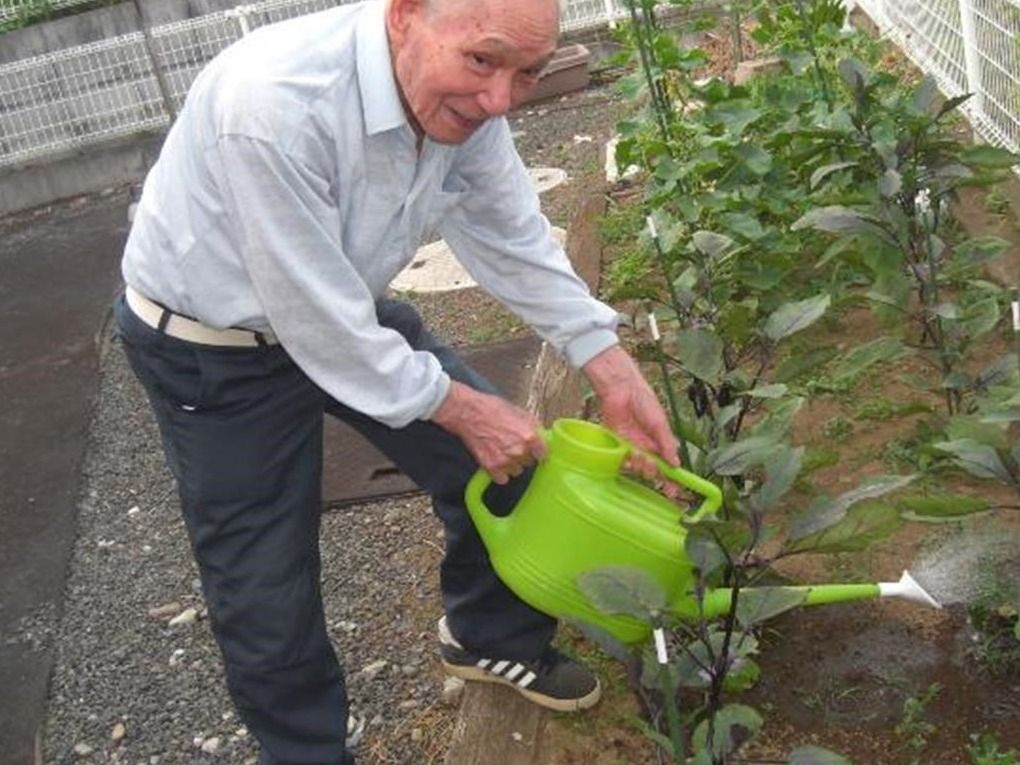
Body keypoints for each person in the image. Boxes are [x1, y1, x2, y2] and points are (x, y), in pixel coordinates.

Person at [115, 0, 679, 762]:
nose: (501, 100)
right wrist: (462, 408)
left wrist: (609, 366)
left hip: (343, 304)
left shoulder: (472, 101)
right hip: (214, 348)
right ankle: (308, 751)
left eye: (527, 74)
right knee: (266, 582)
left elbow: (507, 232)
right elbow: (315, 319)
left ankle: (487, 636)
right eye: (482, 62)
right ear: (406, 15)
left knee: (513, 470)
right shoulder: (273, 104)